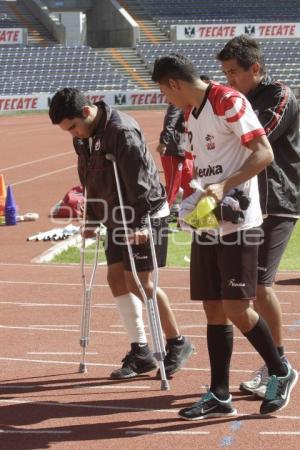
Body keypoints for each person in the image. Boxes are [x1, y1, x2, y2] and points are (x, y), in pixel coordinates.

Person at [151, 54, 298, 419]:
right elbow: (206, 166)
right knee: (213, 308)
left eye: (164, 94)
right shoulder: (191, 113)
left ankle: (281, 370)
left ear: (174, 84)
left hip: (239, 221)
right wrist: (193, 197)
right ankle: (218, 393)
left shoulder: (228, 100)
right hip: (208, 220)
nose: (167, 102)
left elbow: (263, 154)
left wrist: (222, 186)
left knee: (237, 307)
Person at [49, 88, 195, 380]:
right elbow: (87, 175)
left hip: (144, 213)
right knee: (116, 278)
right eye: (68, 131)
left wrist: (140, 222)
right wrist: (91, 216)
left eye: (73, 127)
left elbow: (140, 180)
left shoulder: (122, 131)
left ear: (87, 112)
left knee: (141, 282)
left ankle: (177, 342)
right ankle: (141, 351)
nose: (73, 135)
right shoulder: (83, 136)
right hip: (115, 214)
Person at [217, 35, 300, 398]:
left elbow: (255, 138)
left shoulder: (279, 95)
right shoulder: (236, 100)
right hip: (245, 204)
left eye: (234, 72)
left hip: (277, 199)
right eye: (224, 74)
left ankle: (277, 367)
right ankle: (273, 364)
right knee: (242, 290)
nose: (229, 80)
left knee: (261, 284)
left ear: (256, 68)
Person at [156, 104, 194, 211]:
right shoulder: (177, 103)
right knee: (173, 187)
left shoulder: (189, 103)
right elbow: (170, 121)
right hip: (173, 150)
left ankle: (186, 216)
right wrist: (164, 142)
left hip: (183, 150)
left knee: (191, 186)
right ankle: (160, 217)